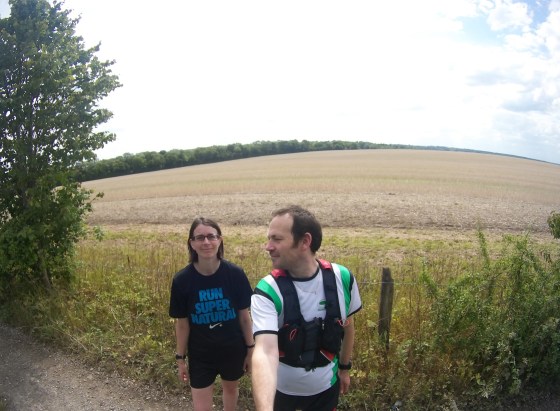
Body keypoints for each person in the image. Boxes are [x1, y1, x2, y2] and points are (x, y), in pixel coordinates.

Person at [251, 205, 362, 411]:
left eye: (277, 239)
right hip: (280, 395)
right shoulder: (268, 290)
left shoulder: (342, 278)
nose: (268, 247)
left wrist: (345, 368)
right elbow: (265, 351)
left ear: (305, 241)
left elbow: (347, 326)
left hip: (325, 393)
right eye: (269, 239)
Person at [169, 217, 254, 411]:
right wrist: (180, 358)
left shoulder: (235, 274)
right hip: (200, 354)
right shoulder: (182, 280)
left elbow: (244, 317)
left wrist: (251, 350)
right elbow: (182, 324)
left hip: (232, 350)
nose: (206, 242)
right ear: (192, 243)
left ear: (220, 240)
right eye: (200, 237)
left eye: (211, 236)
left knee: (231, 391)